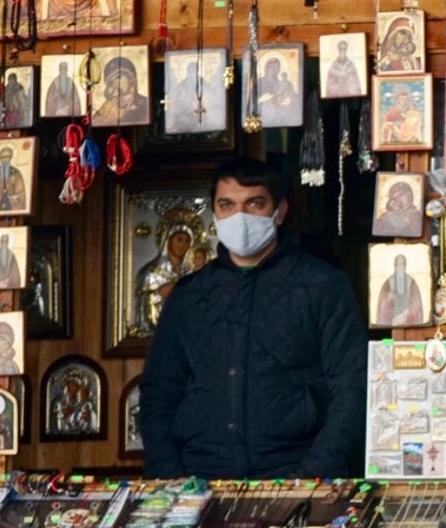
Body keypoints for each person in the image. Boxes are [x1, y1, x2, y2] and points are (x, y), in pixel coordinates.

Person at [140, 156, 366, 478]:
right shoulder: (189, 295)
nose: (240, 216)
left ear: (280, 210)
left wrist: (312, 477)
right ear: (215, 214)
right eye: (227, 205)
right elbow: (159, 394)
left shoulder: (324, 286)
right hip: (199, 478)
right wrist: (171, 477)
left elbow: (352, 389)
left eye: (254, 203)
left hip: (295, 475)